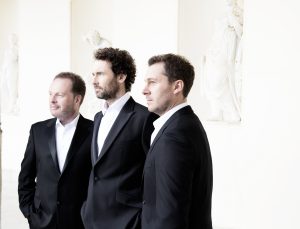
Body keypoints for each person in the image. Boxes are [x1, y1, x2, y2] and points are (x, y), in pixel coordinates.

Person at [81, 47, 156, 229]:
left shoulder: (145, 118)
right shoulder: (98, 117)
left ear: (121, 77)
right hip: (92, 218)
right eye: (92, 74)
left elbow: (154, 176)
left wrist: (140, 219)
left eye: (100, 74)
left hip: (127, 220)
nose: (93, 81)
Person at [142, 54, 213, 229]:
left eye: (153, 82)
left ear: (177, 86)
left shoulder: (175, 136)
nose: (144, 90)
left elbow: (171, 214)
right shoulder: (184, 124)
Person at [18, 72, 93, 229]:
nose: (52, 100)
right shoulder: (37, 131)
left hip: (79, 224)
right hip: (42, 223)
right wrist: (30, 213)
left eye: (59, 95)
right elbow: (26, 177)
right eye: (51, 94)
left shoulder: (94, 132)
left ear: (77, 99)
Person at [202, 0, 243, 122]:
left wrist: (232, 17)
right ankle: (216, 110)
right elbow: (216, 34)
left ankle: (232, 110)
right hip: (216, 50)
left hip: (227, 51)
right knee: (209, 76)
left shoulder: (238, 13)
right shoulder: (221, 16)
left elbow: (241, 32)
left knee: (221, 78)